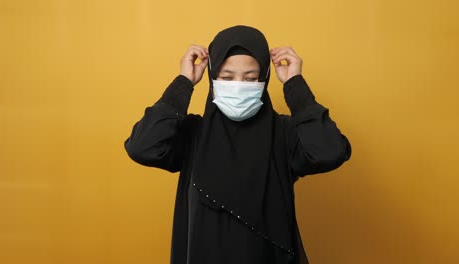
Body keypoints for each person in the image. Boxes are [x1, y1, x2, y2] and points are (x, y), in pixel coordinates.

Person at [124, 25, 351, 264]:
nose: (239, 85)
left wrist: (295, 85)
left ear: (264, 79)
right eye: (227, 77)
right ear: (212, 79)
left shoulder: (284, 133)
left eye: (251, 78)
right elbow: (142, 147)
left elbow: (331, 152)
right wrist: (184, 82)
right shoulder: (193, 134)